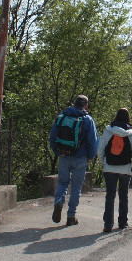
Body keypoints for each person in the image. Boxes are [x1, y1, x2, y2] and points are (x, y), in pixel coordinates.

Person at [49, 95, 99, 226]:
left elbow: (52, 136)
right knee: (76, 187)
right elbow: (93, 141)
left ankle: (58, 201)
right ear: (86, 106)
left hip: (64, 156)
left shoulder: (62, 117)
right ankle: (71, 216)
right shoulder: (87, 119)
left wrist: (58, 152)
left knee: (62, 183)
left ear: (74, 103)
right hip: (80, 158)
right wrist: (90, 156)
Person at [97, 108, 132, 232]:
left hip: (109, 167)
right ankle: (122, 223)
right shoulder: (131, 133)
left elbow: (99, 150)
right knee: (123, 195)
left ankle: (108, 224)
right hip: (125, 169)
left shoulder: (108, 131)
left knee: (110, 195)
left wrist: (104, 162)